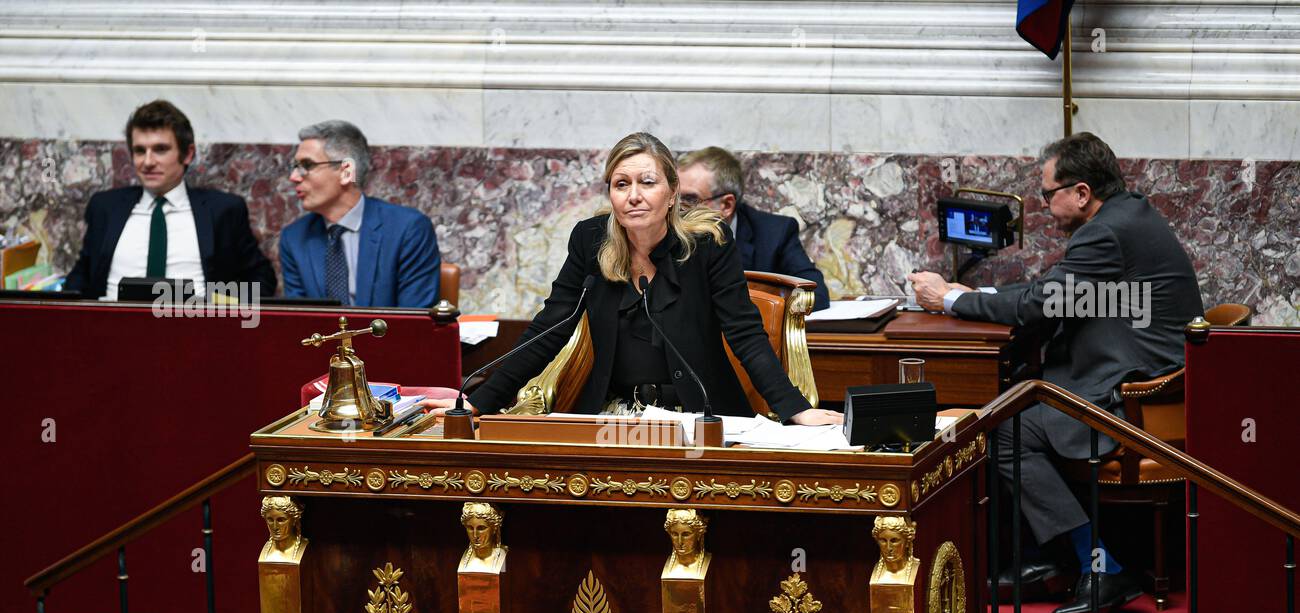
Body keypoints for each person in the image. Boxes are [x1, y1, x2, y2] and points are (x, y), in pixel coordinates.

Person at [909, 132, 1204, 613]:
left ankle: (1096, 563)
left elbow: (1041, 303)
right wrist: (975, 291)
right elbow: (1055, 288)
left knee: (1005, 430)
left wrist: (951, 301)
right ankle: (1057, 555)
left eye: (1048, 195)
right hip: (1148, 382)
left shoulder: (1105, 232)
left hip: (1135, 401)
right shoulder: (1126, 215)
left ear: (1082, 192)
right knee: (1018, 405)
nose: (1045, 206)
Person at [425, 132, 842, 426]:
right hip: (613, 415)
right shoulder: (590, 241)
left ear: (672, 191)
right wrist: (480, 401)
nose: (633, 195)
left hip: (701, 418)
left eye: (647, 182)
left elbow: (745, 333)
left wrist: (795, 407)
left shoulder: (707, 244)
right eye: (621, 184)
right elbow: (549, 328)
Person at [64, 100, 276, 300]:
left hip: (197, 329)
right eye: (139, 151)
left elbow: (262, 278)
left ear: (187, 154)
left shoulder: (223, 210)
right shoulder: (105, 207)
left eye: (160, 149)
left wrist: (219, 313)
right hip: (111, 329)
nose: (147, 162)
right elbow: (81, 276)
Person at [279, 120, 440, 308]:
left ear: (346, 171)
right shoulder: (295, 238)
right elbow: (299, 321)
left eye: (307, 165)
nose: (294, 177)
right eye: (295, 166)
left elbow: (415, 323)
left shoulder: (407, 230)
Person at [677, 147, 829, 310]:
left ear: (727, 205)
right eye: (673, 197)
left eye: (689, 199)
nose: (677, 209)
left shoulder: (774, 233)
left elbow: (814, 294)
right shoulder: (661, 229)